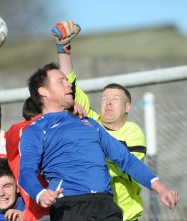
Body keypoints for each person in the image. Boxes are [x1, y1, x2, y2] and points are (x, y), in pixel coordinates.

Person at [18, 62, 179, 221]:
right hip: (69, 207)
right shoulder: (35, 130)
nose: (68, 85)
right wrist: (40, 194)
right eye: (61, 81)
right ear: (43, 91)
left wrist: (161, 188)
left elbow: (126, 159)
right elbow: (25, 173)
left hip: (106, 205)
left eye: (67, 81)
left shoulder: (89, 123)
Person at [52, 20, 147, 220]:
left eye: (115, 99)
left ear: (128, 107)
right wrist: (63, 48)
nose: (108, 103)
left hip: (125, 216)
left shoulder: (133, 132)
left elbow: (124, 163)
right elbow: (70, 85)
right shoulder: (90, 120)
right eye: (104, 99)